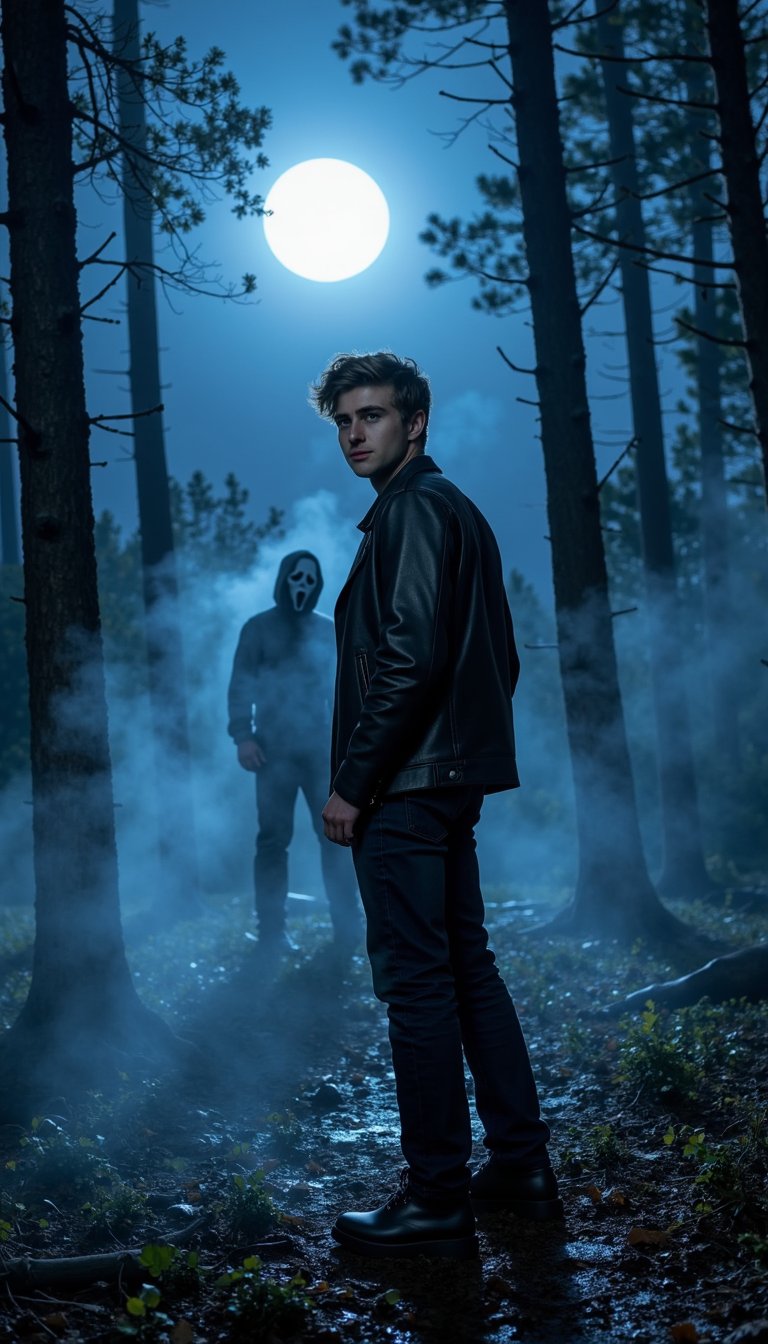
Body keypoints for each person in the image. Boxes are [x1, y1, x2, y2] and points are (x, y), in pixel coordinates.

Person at [311, 352, 561, 1259]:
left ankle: (436, 1202)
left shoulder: (415, 511)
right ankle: (522, 1170)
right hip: (444, 782)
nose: (354, 434)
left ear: (415, 421)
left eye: (371, 416)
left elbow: (412, 659)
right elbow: (499, 655)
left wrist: (351, 784)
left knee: (418, 987)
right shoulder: (452, 512)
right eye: (342, 421)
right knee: (467, 970)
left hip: (407, 789)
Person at [227, 550, 362, 956]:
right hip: (272, 752)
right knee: (272, 840)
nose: (302, 585)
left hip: (321, 751)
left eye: (310, 579)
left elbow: (342, 691)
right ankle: (272, 933)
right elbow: (240, 685)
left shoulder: (327, 630)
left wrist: (350, 746)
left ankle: (349, 929)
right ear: (284, 578)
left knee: (336, 837)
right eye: (296, 577)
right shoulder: (258, 629)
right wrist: (243, 736)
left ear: (317, 584)